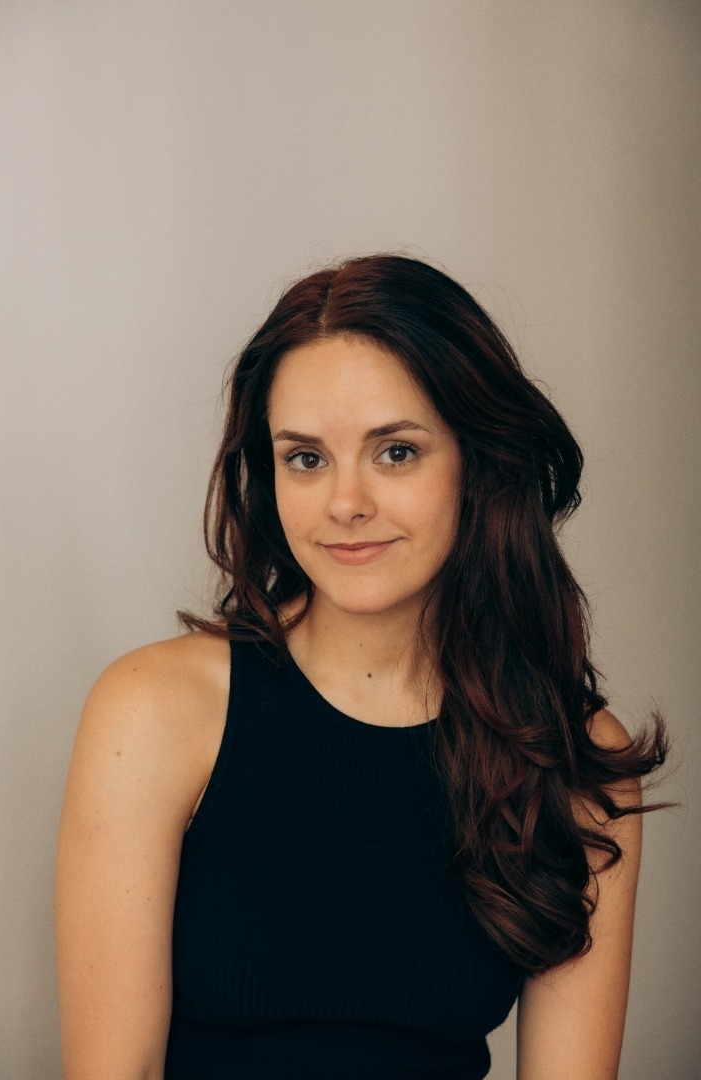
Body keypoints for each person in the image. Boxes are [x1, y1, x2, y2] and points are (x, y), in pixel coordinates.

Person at [55, 254, 667, 1080]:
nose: (346, 503)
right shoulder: (152, 712)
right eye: (306, 458)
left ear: (479, 463)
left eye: (396, 452)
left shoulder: (576, 761)